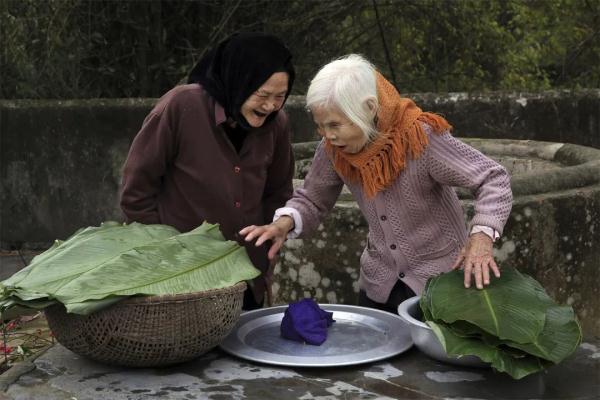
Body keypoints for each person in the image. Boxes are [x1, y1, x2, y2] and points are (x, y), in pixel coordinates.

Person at [240, 54, 513, 314]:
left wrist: (481, 237)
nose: (327, 135)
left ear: (369, 109)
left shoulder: (420, 138)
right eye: (320, 126)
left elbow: (493, 178)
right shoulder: (333, 148)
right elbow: (313, 198)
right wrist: (282, 224)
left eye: (335, 124)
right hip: (379, 286)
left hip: (441, 285)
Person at [120, 33, 296, 310]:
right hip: (182, 275)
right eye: (262, 95)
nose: (270, 106)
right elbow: (136, 191)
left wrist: (273, 233)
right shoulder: (181, 107)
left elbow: (279, 192)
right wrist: (161, 250)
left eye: (280, 97)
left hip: (246, 275)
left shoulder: (277, 124)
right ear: (237, 81)